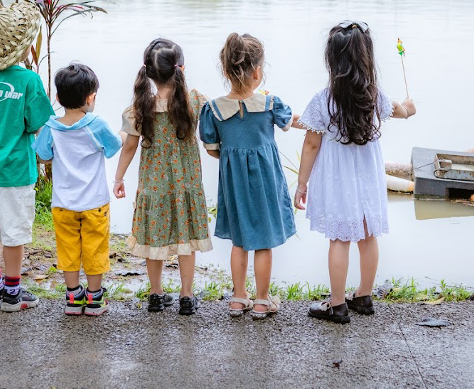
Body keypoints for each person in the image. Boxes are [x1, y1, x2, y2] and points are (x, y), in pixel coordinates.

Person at [293, 21, 416, 323]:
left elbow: (311, 144)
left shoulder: (323, 100)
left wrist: (301, 183)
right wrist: (409, 108)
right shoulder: (373, 95)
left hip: (338, 180)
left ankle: (337, 305)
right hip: (367, 177)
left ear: (332, 60)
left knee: (339, 239)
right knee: (367, 236)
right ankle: (364, 295)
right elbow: (399, 110)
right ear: (366, 59)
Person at [199, 33, 300, 319]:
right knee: (264, 241)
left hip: (234, 182)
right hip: (265, 180)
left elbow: (211, 149)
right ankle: (262, 300)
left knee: (240, 241)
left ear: (225, 71)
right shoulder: (269, 104)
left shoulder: (214, 109)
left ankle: (238, 297)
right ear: (258, 72)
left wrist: (233, 159)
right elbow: (288, 122)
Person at [113, 38, 212, 316]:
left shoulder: (141, 107)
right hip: (186, 183)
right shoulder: (194, 101)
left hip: (152, 185)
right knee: (186, 238)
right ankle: (186, 295)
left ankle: (156, 294)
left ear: (147, 73)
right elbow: (213, 132)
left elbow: (130, 146)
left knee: (153, 240)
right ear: (181, 68)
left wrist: (118, 178)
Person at [0, 1, 54, 312]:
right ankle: (13, 293)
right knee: (14, 232)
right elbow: (36, 122)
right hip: (14, 171)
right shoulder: (29, 81)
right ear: (25, 46)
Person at [33, 63, 121, 316]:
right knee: (95, 248)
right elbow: (114, 147)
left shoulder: (51, 128)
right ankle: (94, 299)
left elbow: (41, 154)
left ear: (58, 98)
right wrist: (127, 135)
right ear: (91, 97)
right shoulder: (97, 125)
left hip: (63, 204)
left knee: (68, 249)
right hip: (94, 203)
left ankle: (73, 298)